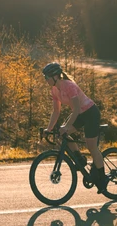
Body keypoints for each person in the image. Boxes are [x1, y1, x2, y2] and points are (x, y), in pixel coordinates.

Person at [42, 62, 107, 193]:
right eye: (45, 77)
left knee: (92, 147)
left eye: (47, 77)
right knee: (61, 134)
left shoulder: (69, 86)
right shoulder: (54, 90)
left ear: (55, 76)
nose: (46, 80)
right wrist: (48, 129)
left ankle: (103, 178)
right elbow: (56, 111)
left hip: (90, 113)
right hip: (79, 115)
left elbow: (76, 109)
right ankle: (80, 159)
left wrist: (66, 126)